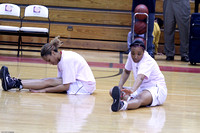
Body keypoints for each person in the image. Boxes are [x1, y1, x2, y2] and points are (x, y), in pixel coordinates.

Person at [0, 36, 96, 94]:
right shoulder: (62, 58)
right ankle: (15, 83)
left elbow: (65, 87)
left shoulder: (67, 60)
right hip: (79, 83)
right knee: (47, 80)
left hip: (85, 87)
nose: (50, 63)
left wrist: (43, 91)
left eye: (49, 60)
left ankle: (13, 84)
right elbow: (59, 82)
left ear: (53, 53)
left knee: (48, 81)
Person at [109, 39, 167, 112]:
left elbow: (140, 78)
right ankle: (131, 100)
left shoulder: (147, 60)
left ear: (143, 52)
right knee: (112, 91)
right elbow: (126, 71)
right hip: (140, 88)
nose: (135, 56)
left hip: (156, 89)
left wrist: (132, 90)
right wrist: (119, 87)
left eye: (139, 54)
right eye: (133, 53)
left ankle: (122, 105)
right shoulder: (130, 55)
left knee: (140, 97)